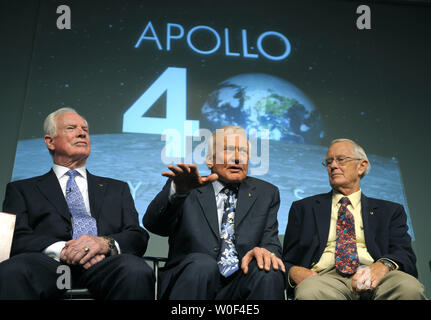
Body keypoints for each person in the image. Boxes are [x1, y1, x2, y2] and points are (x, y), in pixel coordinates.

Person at [0, 107, 154, 299]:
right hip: (51, 268)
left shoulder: (117, 188)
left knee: (135, 270)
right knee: (13, 270)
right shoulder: (22, 189)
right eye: (71, 128)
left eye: (85, 130)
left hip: (103, 267)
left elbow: (136, 235)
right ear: (50, 141)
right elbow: (16, 237)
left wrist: (103, 244)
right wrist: (64, 250)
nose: (82, 133)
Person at [143, 125, 285, 299]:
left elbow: (271, 242)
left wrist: (266, 252)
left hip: (241, 281)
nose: (237, 158)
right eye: (229, 150)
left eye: (243, 152)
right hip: (193, 279)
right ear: (209, 160)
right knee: (203, 264)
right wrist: (178, 193)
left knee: (268, 270)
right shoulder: (188, 186)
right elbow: (155, 225)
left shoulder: (266, 193)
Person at [282, 138, 427, 300]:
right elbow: (288, 260)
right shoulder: (304, 208)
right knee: (310, 291)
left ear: (362, 165)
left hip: (377, 274)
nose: (333, 166)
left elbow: (404, 253)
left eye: (341, 159)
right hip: (323, 278)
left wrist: (382, 265)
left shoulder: (390, 211)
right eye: (329, 162)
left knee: (409, 288)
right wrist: (295, 271)